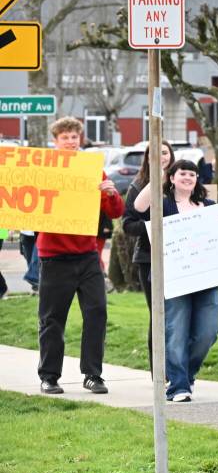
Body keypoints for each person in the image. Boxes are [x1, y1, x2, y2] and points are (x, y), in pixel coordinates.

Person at [37, 117, 125, 395]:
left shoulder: (92, 171)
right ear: (56, 141)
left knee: (97, 312)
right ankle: (49, 376)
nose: (71, 141)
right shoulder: (42, 171)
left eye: (75, 137)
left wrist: (110, 193)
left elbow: (116, 212)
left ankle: (92, 374)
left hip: (87, 255)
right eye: (65, 137)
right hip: (54, 256)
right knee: (52, 319)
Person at [133, 159, 218, 402]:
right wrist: (157, 175)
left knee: (209, 332)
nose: (188, 177)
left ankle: (185, 374)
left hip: (205, 279)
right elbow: (138, 207)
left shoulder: (209, 206)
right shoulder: (162, 204)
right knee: (176, 331)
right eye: (182, 173)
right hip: (172, 278)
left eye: (192, 174)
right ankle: (179, 386)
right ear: (172, 178)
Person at [122, 140, 175, 369]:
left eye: (164, 152)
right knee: (158, 315)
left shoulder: (182, 181)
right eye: (155, 153)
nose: (161, 157)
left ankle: (179, 370)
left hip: (181, 258)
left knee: (179, 317)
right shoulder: (138, 186)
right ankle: (159, 373)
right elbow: (128, 225)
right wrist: (154, 227)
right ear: (147, 158)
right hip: (149, 257)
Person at [19, 230, 40, 294]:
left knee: (35, 261)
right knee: (30, 261)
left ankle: (33, 278)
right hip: (25, 233)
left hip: (40, 233)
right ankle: (36, 287)